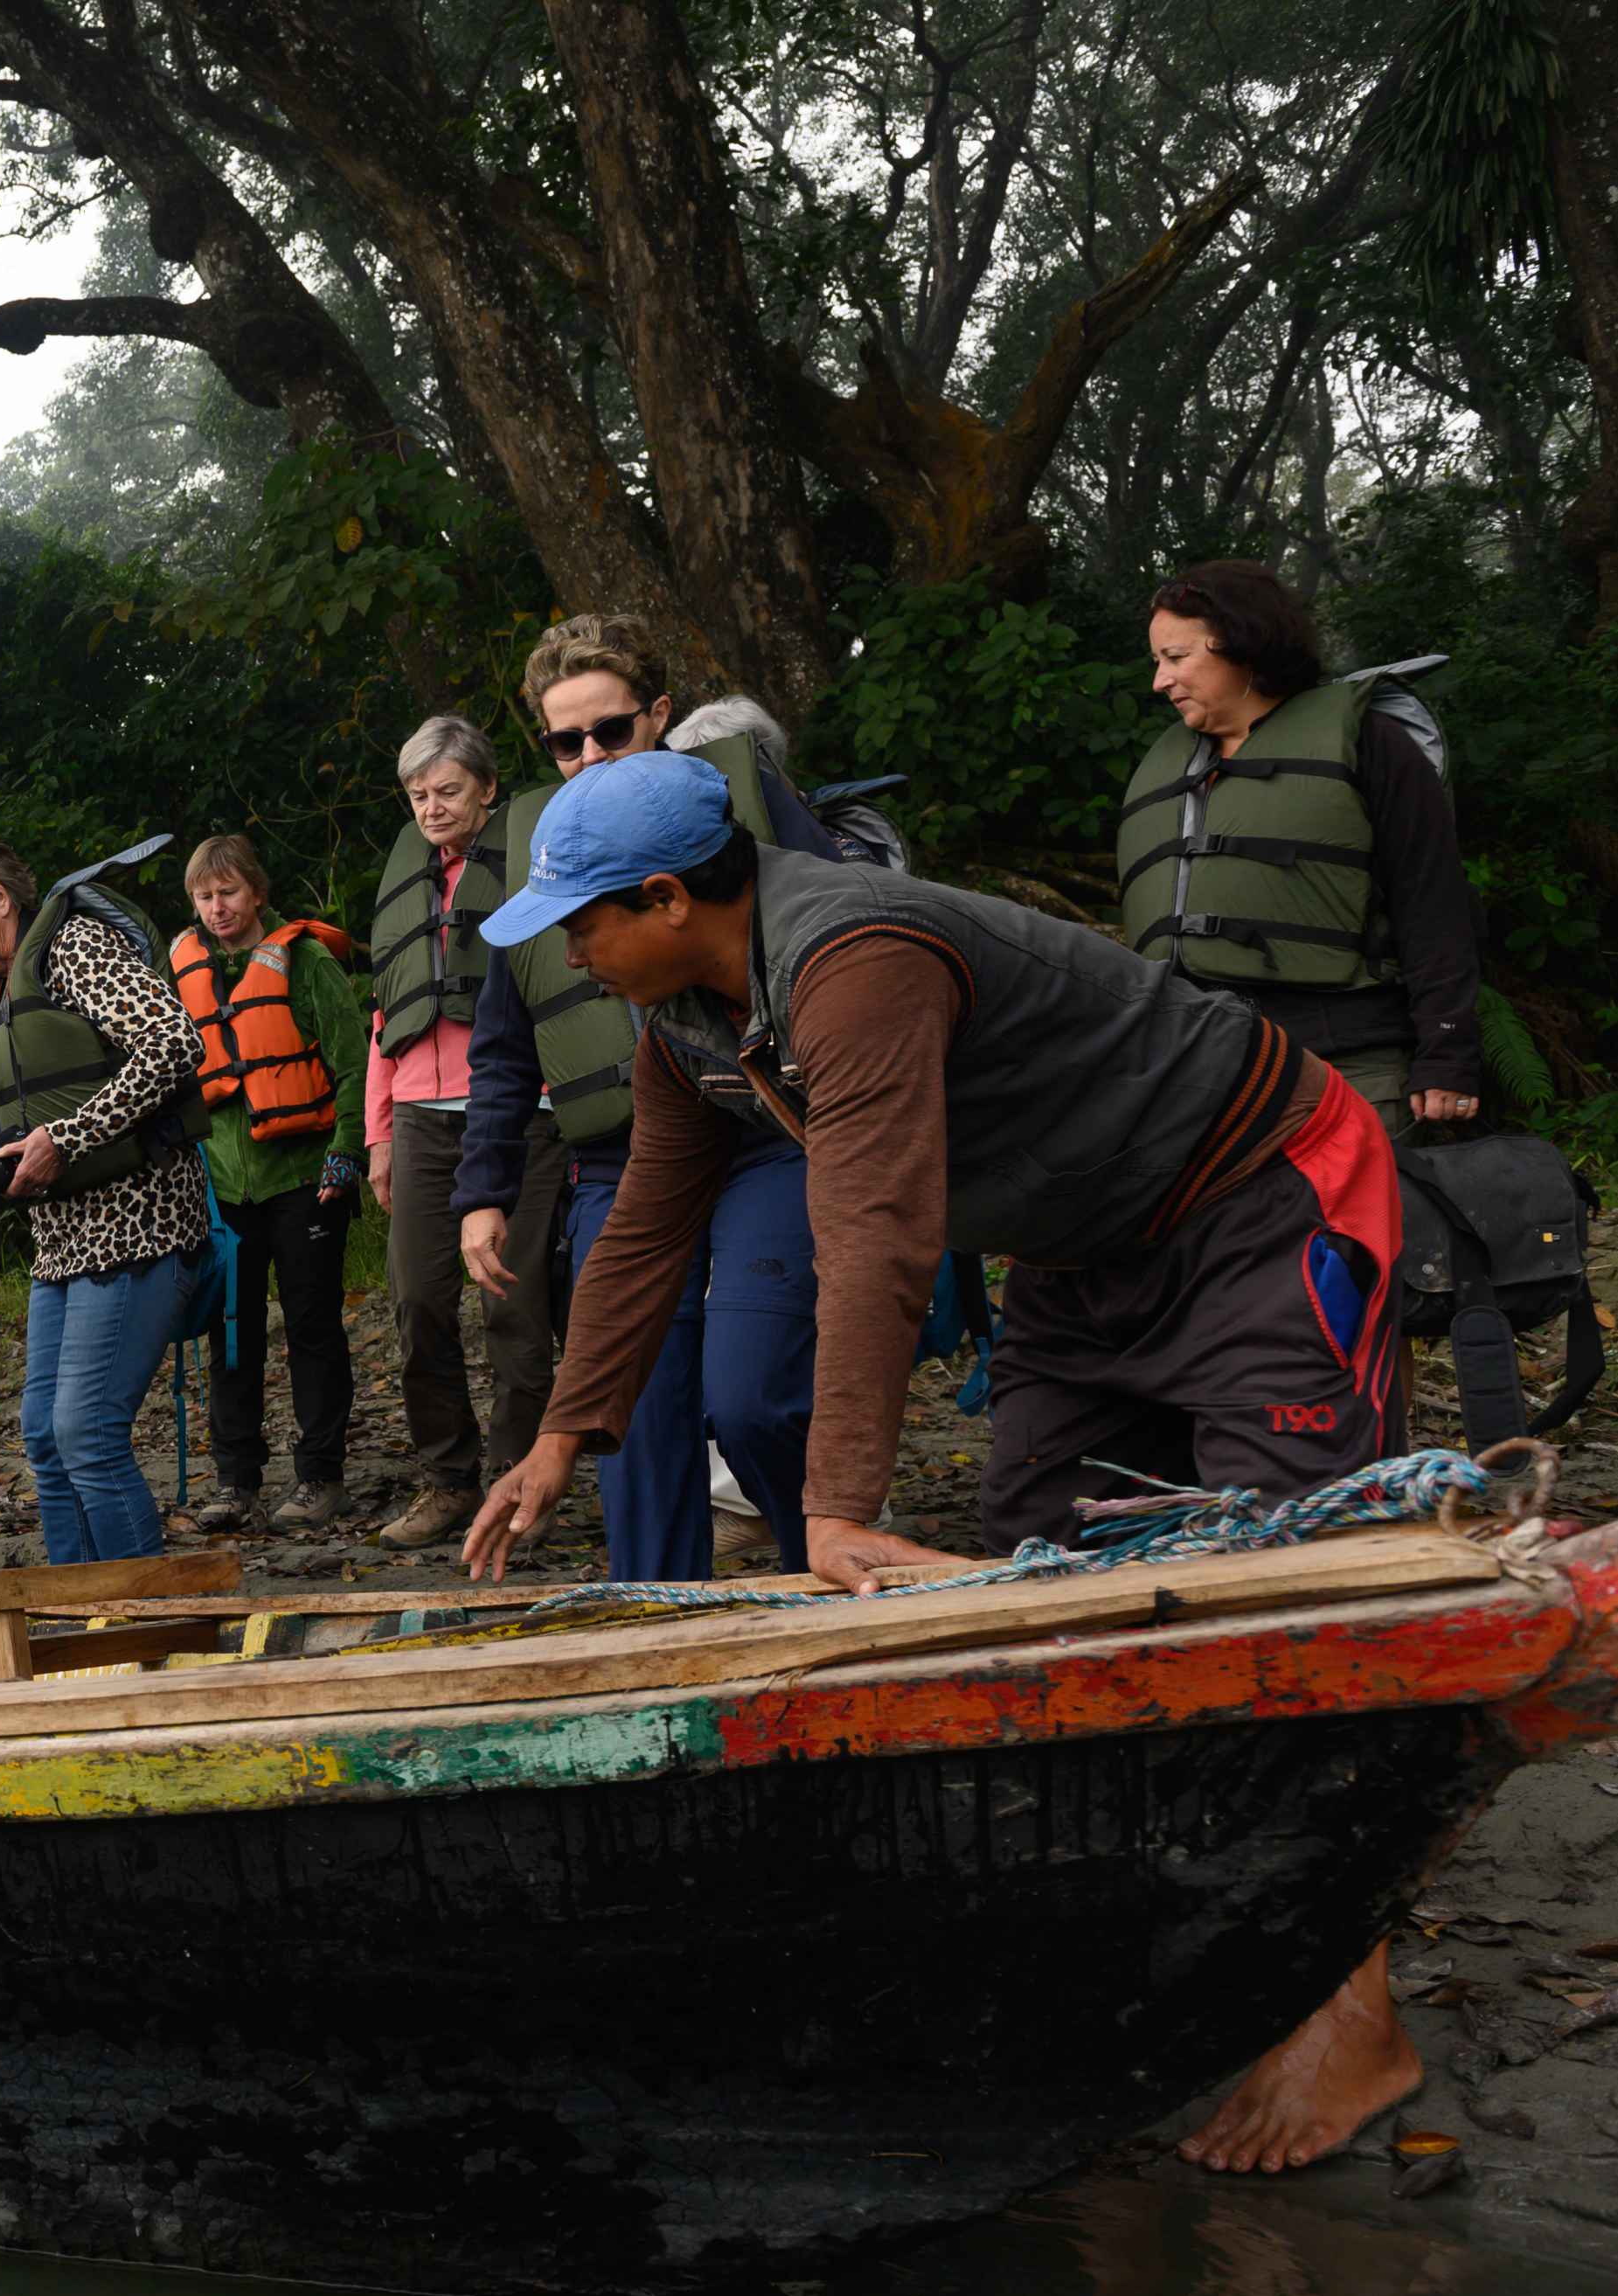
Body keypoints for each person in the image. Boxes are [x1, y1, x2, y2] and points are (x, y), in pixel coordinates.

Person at [460, 747, 1419, 2177]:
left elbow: (879, 1235)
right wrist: (560, 1432)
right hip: (1079, 1261)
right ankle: (1149, 1950)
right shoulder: (684, 1022)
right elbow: (650, 1225)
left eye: (582, 921)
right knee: (1028, 1588)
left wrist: (833, 1512)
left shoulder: (851, 959)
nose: (568, 953)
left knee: (1296, 1588)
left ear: (667, 899)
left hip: (1251, 1201)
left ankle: (1352, 2010)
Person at [452, 630, 849, 1580]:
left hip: (758, 1139)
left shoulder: (736, 814)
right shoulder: (537, 850)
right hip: (612, 1161)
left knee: (753, 1398)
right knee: (632, 1419)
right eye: (565, 742)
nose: (589, 756)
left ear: (660, 716)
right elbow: (505, 1040)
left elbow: (843, 939)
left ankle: (828, 1565)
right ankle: (659, 1619)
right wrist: (484, 1186)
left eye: (611, 730)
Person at [0, 830, 207, 1564]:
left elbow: (172, 1040)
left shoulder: (74, 945)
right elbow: (73, 1045)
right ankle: (73, 1619)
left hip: (138, 1221)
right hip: (61, 1236)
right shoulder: (4, 979)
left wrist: (65, 1137)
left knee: (87, 1432)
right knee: (44, 1434)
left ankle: (147, 1615)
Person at [1125, 559, 1481, 1138]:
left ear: (1242, 643)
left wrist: (1448, 1054)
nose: (1158, 682)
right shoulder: (1172, 767)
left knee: (1363, 1228)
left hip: (1348, 1060)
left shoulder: (1370, 743)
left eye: (1175, 658)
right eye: (1156, 662)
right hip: (1203, 1067)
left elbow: (1433, 902)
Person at [362, 718, 562, 1547]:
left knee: (515, 1310)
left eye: (448, 791)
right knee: (417, 1301)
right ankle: (447, 1479)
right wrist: (377, 1132)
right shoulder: (406, 876)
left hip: (524, 1115)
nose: (432, 808)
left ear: (485, 788)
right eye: (418, 795)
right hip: (417, 1117)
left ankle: (519, 1490)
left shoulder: (532, 857)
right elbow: (385, 1012)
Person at [169, 834, 366, 1533]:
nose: (216, 907)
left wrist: (347, 1151)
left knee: (311, 1327)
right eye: (203, 896)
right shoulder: (181, 970)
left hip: (305, 1177)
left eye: (227, 892)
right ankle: (235, 1482)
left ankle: (319, 1475)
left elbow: (352, 1066)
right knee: (231, 1332)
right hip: (223, 1187)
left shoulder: (305, 962)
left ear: (255, 892)